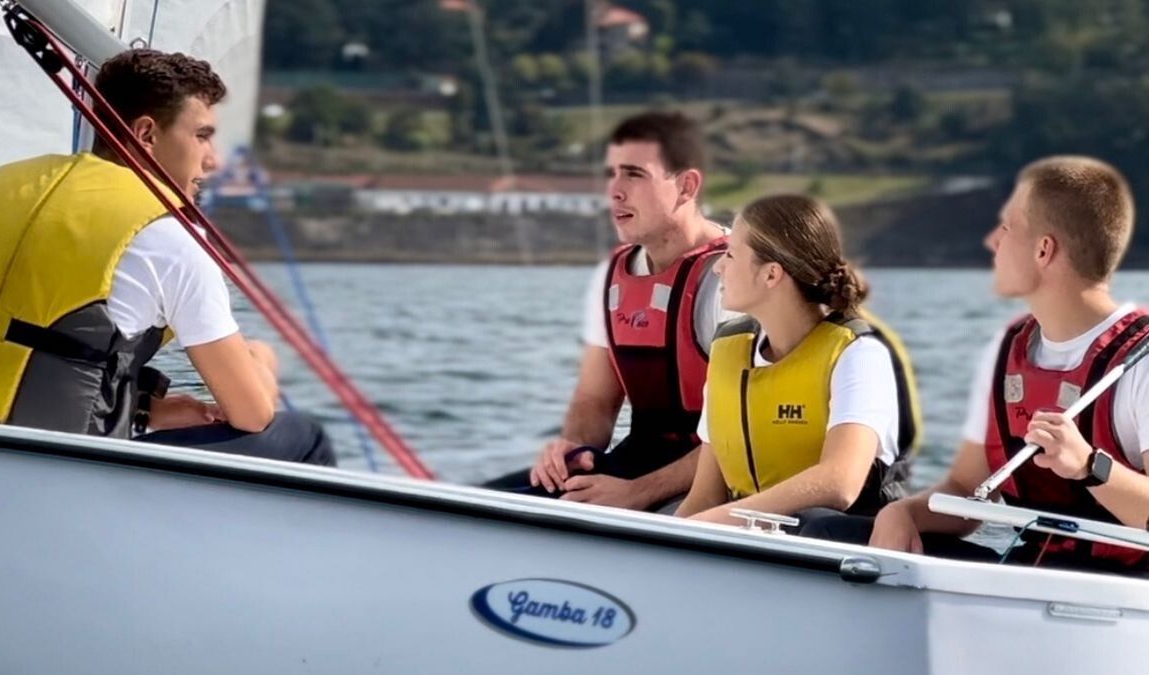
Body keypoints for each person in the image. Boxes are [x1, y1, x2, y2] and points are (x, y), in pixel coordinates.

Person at [0, 49, 334, 466]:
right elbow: (250, 414)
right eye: (201, 136)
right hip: (59, 469)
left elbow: (22, 348)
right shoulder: (168, 237)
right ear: (145, 133)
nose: (212, 160)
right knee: (305, 437)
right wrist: (261, 361)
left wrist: (145, 409)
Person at [815, 156, 1149, 575]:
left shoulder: (1142, 361)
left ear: (1044, 250)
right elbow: (965, 493)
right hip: (1033, 574)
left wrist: (1089, 466)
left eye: (1007, 228)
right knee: (822, 532)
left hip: (1124, 588)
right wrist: (904, 513)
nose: (993, 241)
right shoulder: (1008, 348)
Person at [483, 111, 737, 511]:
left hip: (723, 481)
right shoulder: (612, 275)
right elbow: (594, 401)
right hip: (640, 464)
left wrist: (639, 494)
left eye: (634, 174)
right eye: (611, 175)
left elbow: (751, 432)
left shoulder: (735, 277)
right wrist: (573, 451)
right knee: (488, 502)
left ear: (686, 186)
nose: (614, 192)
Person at [674, 195, 921, 525]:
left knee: (821, 525)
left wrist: (720, 521)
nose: (718, 266)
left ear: (771, 274)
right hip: (749, 544)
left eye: (731, 255)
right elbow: (704, 497)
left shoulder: (859, 354)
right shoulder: (728, 351)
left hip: (843, 550)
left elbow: (840, 483)